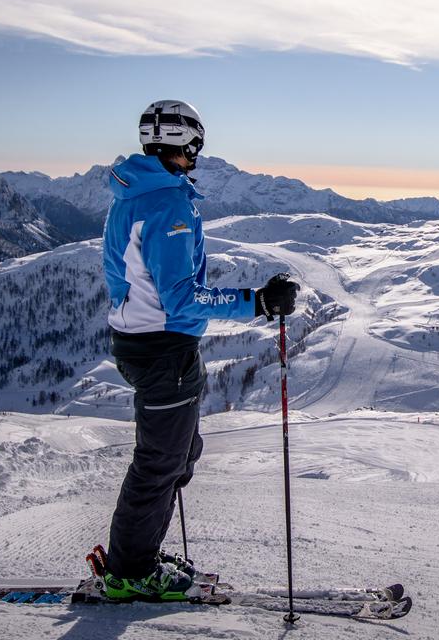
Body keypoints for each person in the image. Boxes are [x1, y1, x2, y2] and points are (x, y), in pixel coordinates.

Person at [99, 99, 300, 601]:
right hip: (162, 347)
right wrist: (255, 302)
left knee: (180, 452)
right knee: (161, 461)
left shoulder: (136, 193)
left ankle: (139, 554)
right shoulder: (167, 206)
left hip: (147, 342)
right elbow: (181, 297)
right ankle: (130, 572)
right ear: (184, 145)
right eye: (196, 147)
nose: (198, 156)